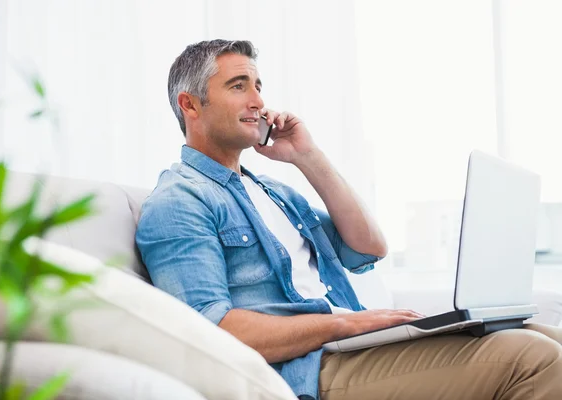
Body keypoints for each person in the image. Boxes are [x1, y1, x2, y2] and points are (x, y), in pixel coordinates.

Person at [136, 39, 562, 400]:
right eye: (238, 86)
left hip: (350, 346)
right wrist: (347, 321)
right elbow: (210, 329)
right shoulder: (180, 200)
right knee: (531, 357)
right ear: (190, 105)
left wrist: (307, 156)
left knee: (550, 338)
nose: (259, 101)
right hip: (310, 369)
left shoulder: (274, 191)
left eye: (258, 86)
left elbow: (367, 248)